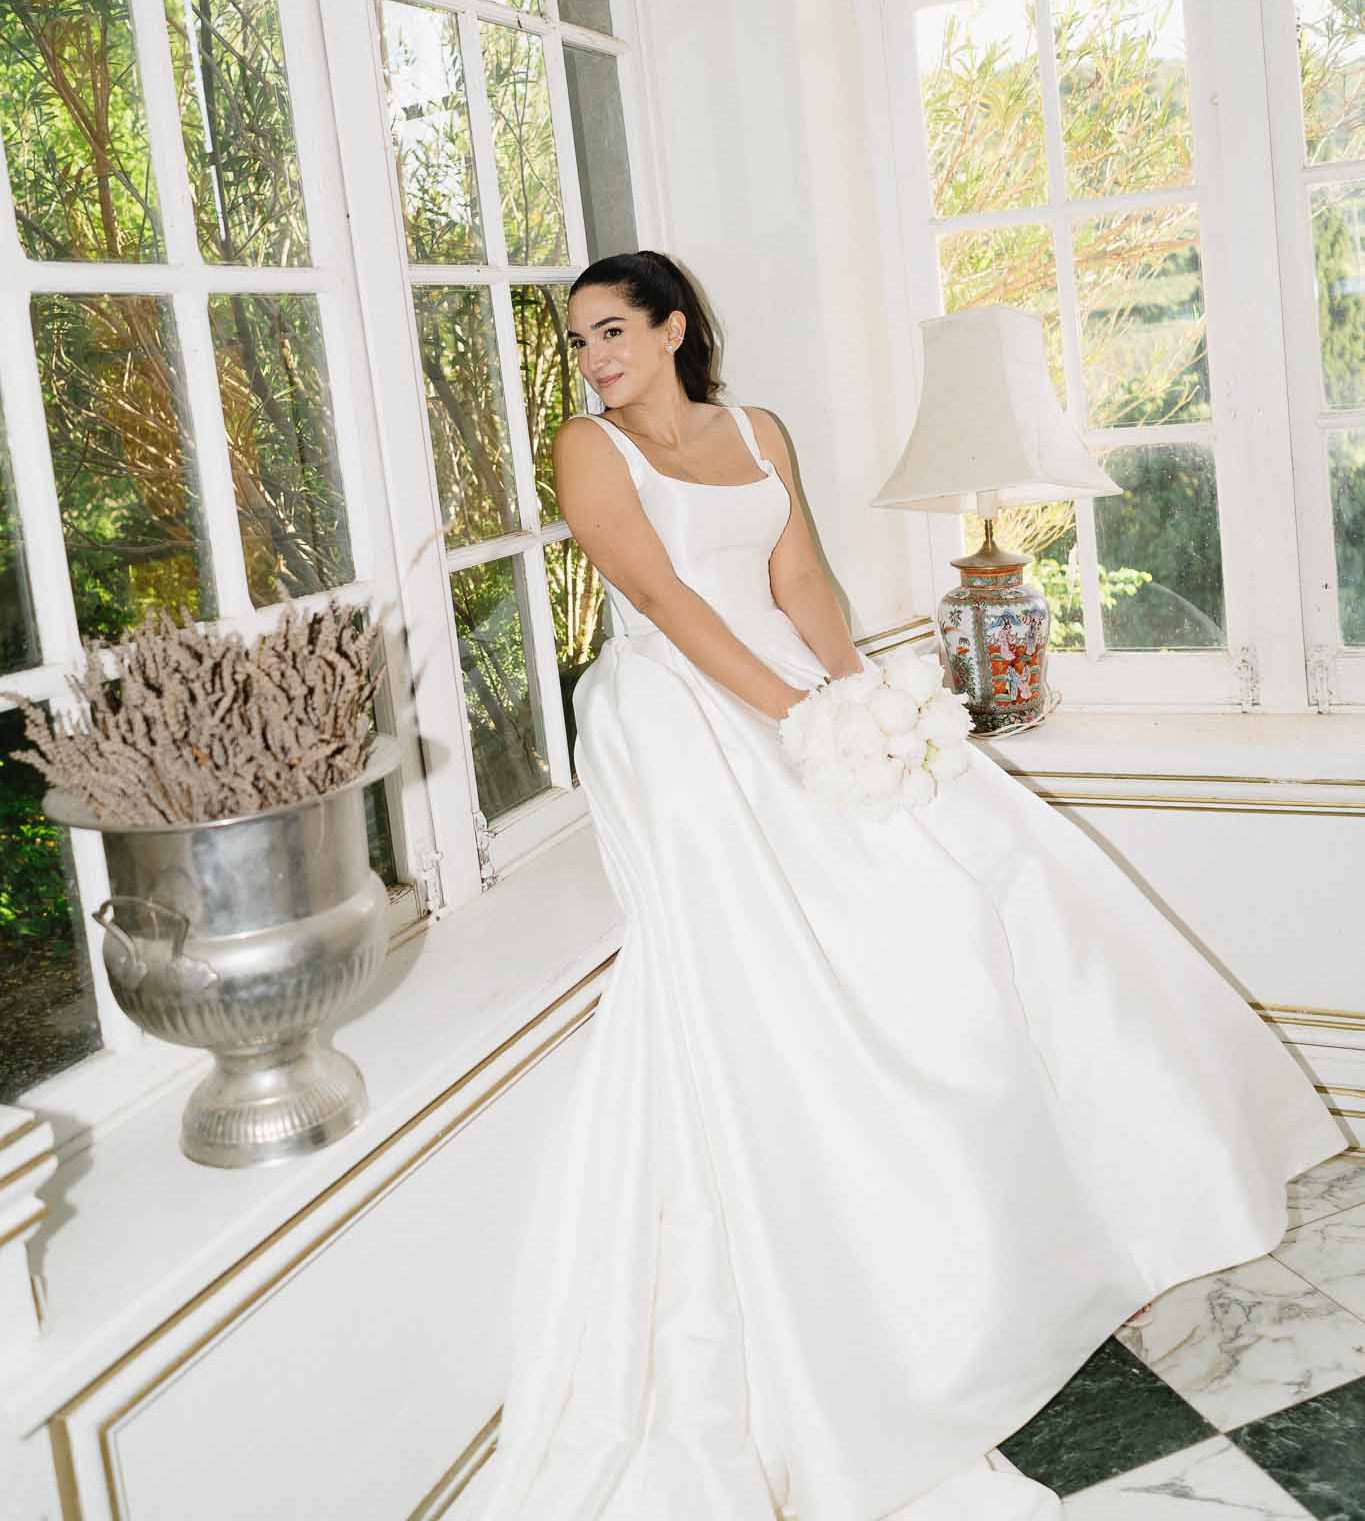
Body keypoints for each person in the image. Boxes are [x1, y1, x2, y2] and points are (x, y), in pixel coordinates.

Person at [462, 249, 1346, 1521]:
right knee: (794, 934)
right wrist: (795, 719)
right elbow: (655, 595)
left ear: (671, 327)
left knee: (997, 870)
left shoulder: (753, 427)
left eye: (612, 329)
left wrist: (860, 694)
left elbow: (800, 578)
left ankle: (1088, 1207)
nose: (594, 356)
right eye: (581, 340)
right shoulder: (590, 448)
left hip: (789, 681)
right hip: (672, 703)